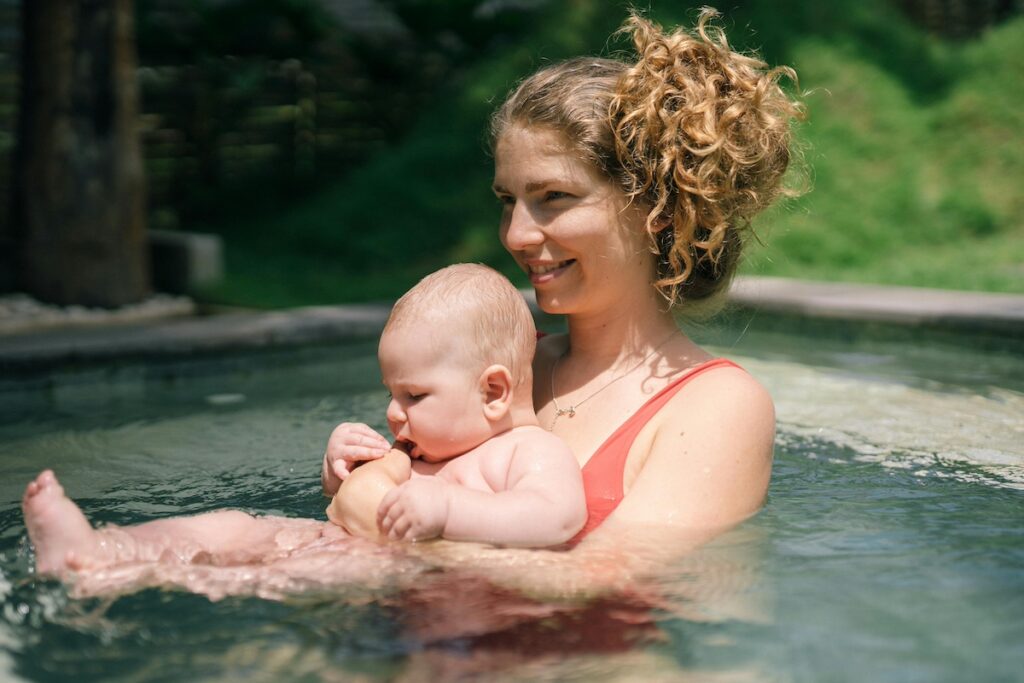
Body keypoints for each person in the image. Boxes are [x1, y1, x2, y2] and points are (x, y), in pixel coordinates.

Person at [324, 9, 802, 554]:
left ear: (658, 208)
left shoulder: (719, 406)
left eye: (554, 198)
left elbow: (604, 583)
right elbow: (388, 485)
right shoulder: (500, 366)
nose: (516, 234)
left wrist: (379, 522)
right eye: (508, 201)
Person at [21, 264, 587, 578]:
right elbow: (345, 502)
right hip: (327, 536)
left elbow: (556, 517)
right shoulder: (421, 447)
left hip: (392, 569)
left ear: (493, 391)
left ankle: (127, 572)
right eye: (390, 393)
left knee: (266, 574)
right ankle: (99, 548)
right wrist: (337, 467)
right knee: (229, 525)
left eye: (413, 395)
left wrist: (448, 508)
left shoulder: (526, 451)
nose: (394, 412)